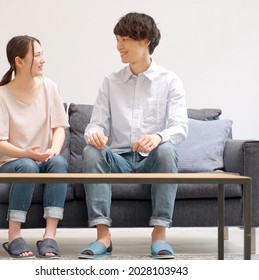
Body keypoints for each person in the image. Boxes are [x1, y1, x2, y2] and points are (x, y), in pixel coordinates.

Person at [78, 12, 188, 259]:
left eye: (125, 39)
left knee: (168, 149)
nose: (119, 46)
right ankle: (103, 237)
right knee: (90, 151)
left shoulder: (170, 81)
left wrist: (159, 137)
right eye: (117, 39)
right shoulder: (111, 82)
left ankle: (159, 236)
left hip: (152, 159)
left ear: (145, 41)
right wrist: (95, 135)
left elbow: (180, 127)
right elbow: (95, 125)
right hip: (119, 159)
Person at [0, 35, 70, 259]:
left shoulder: (50, 88)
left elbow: (59, 128)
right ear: (19, 61)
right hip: (11, 163)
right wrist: (25, 153)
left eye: (42, 54)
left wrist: (54, 150)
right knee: (28, 165)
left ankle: (50, 236)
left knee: (59, 162)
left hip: (43, 159)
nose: (43, 60)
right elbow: (1, 144)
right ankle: (14, 236)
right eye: (37, 55)